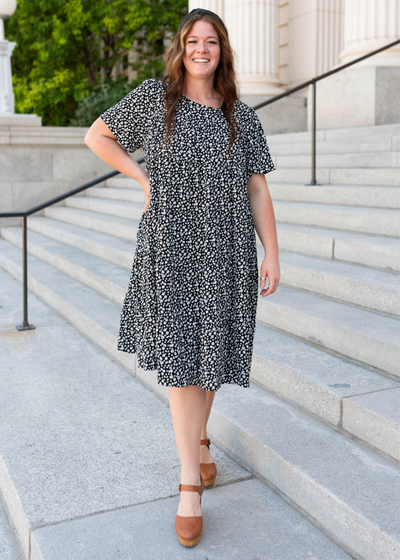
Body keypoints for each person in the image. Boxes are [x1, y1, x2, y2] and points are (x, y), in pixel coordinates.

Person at [85, 7, 280, 548]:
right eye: (193, 40)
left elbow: (258, 189)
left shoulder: (242, 116)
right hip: (170, 248)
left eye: (211, 41)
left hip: (228, 250)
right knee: (180, 360)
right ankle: (189, 482)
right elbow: (97, 136)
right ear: (181, 47)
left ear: (223, 50)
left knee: (211, 356)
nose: (202, 49)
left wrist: (273, 253)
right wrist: (142, 176)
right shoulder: (157, 99)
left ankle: (198, 444)